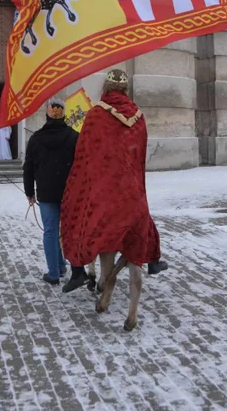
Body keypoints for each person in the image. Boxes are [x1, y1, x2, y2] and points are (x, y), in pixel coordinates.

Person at [61, 69, 168, 293]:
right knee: (141, 216)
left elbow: (84, 157)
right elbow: (139, 157)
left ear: (106, 87)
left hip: (104, 189)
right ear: (125, 89)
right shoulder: (139, 115)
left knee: (76, 214)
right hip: (131, 188)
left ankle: (79, 269)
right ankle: (152, 259)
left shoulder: (96, 114)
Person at [23, 99, 78, 285]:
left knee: (51, 231)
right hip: (70, 192)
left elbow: (28, 168)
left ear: (46, 115)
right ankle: (65, 265)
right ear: (64, 116)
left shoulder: (36, 139)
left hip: (46, 193)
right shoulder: (74, 136)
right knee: (67, 231)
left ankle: (54, 272)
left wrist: (29, 192)